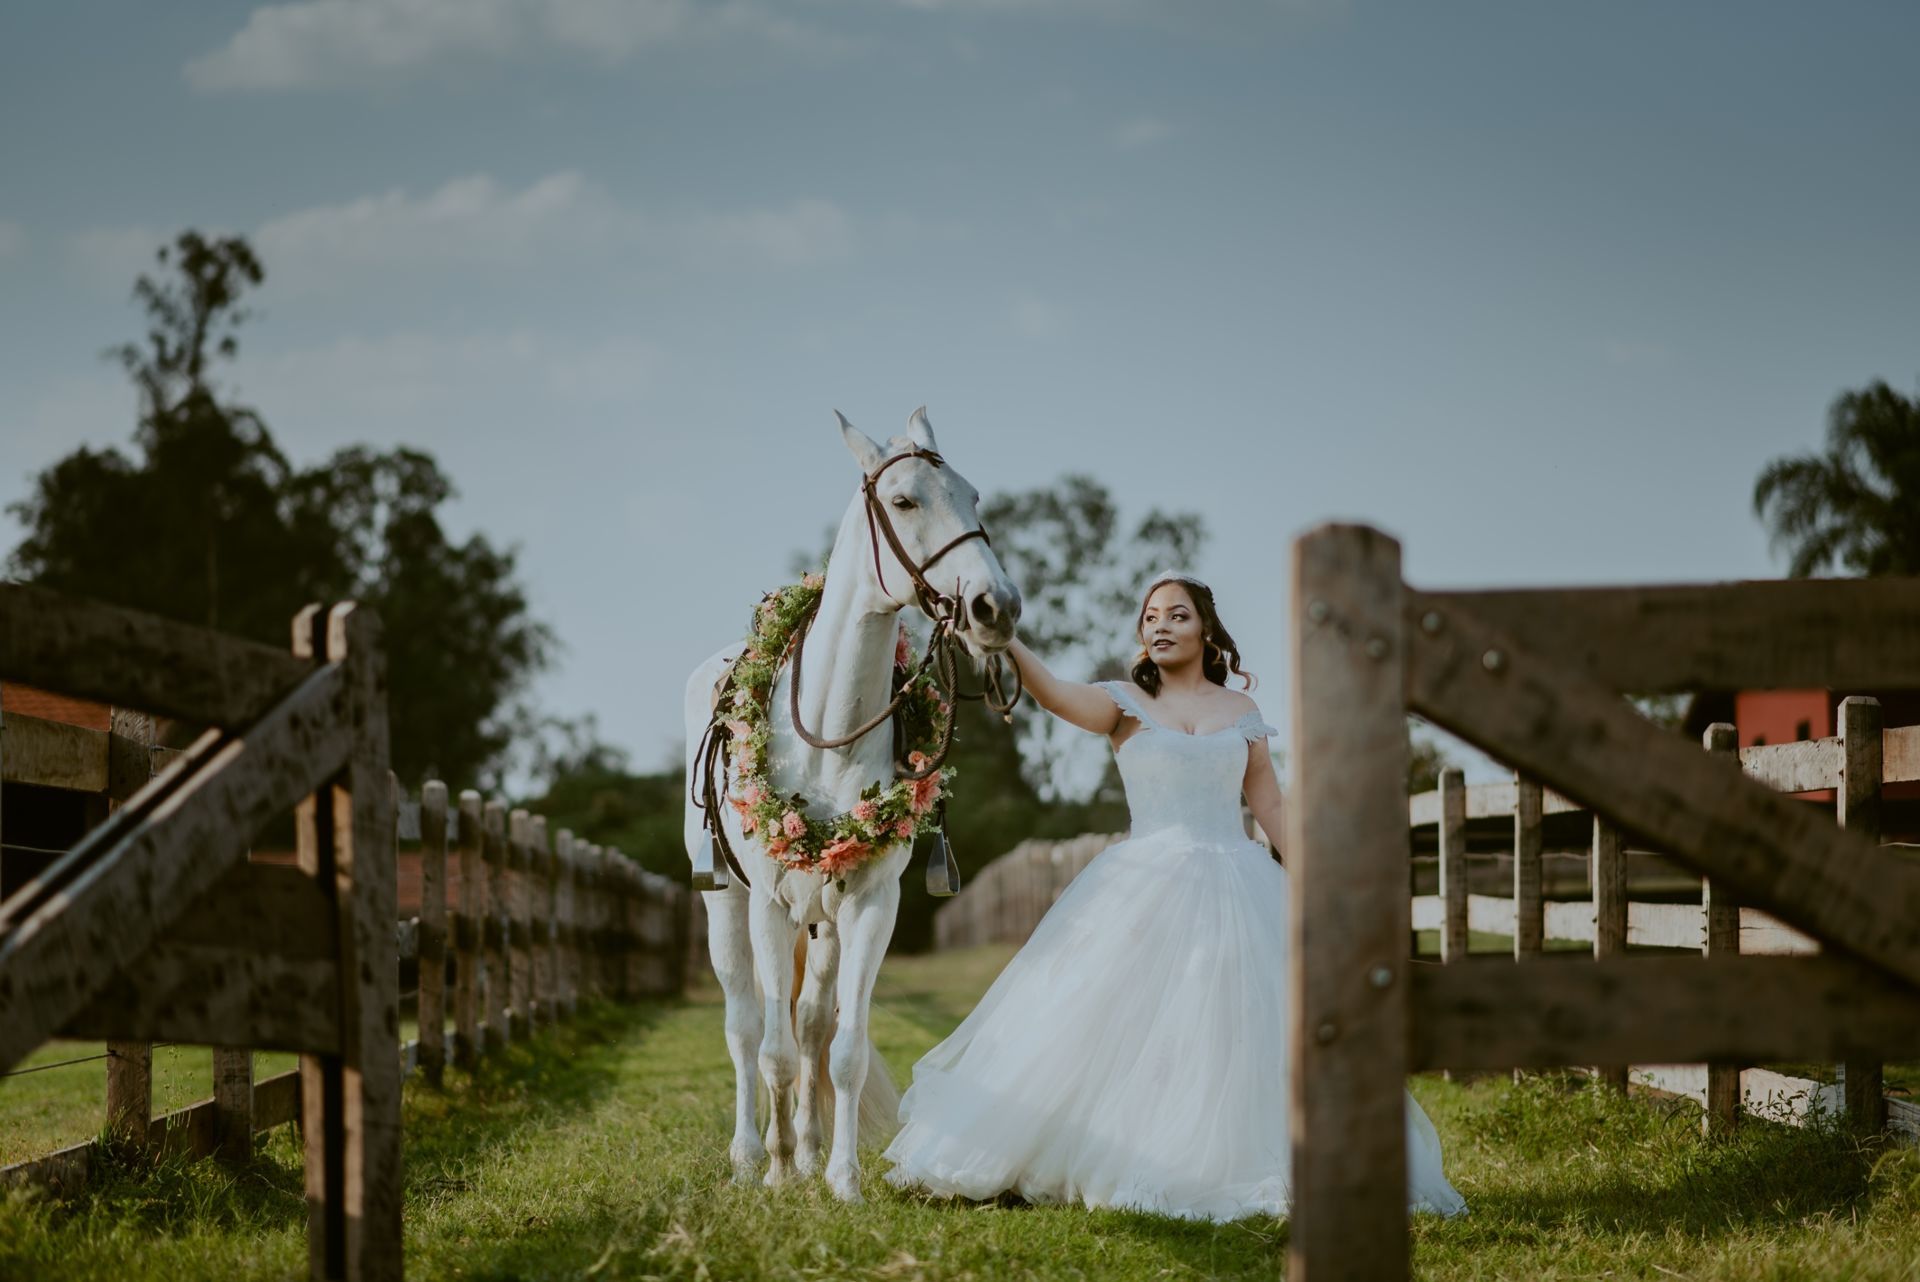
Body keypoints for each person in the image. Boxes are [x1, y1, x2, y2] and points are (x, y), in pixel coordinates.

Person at [882, 570, 1467, 1221]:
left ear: (1207, 629)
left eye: (1177, 615)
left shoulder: (1241, 713)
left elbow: (1267, 800)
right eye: (1151, 616)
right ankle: (1110, 1147)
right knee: (1114, 1023)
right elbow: (1048, 696)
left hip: (1236, 879)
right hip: (1142, 885)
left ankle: (1232, 1154)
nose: (1159, 625)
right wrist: (1006, 641)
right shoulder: (1122, 703)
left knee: (1235, 1020)